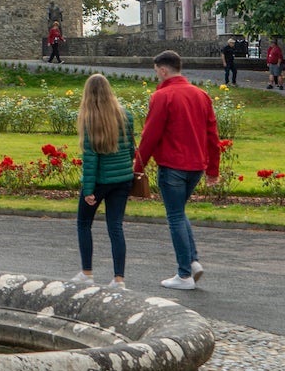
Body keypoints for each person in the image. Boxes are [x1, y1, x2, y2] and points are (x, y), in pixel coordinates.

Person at [134, 50, 221, 291]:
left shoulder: (163, 96)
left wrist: (137, 167)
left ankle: (184, 273)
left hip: (173, 165)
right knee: (179, 212)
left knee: (174, 216)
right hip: (196, 165)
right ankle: (192, 262)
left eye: (157, 73)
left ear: (163, 70)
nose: (157, 78)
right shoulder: (201, 95)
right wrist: (213, 169)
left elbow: (150, 136)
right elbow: (212, 135)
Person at [73, 74, 133, 288]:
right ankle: (119, 278)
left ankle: (87, 272)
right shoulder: (125, 115)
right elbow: (131, 148)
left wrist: (88, 189)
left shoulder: (90, 119)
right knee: (115, 227)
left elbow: (91, 158)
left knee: (83, 224)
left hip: (100, 181)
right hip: (123, 178)